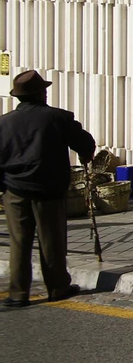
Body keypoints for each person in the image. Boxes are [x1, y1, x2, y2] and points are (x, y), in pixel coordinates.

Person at [0, 69, 94, 306]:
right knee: (51, 241)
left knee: (19, 243)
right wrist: (86, 154)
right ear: (42, 93)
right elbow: (84, 142)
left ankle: (18, 293)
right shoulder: (57, 118)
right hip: (48, 189)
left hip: (14, 189)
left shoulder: (4, 123)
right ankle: (57, 287)